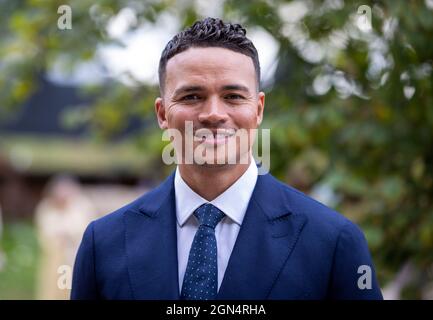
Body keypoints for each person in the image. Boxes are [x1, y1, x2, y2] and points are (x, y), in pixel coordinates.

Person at [71, 17, 383, 300]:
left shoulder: (332, 243)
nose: (213, 114)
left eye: (233, 96)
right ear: (163, 113)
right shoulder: (104, 243)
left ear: (258, 109)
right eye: (192, 96)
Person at [35, 175, 95, 299]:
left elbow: (85, 227)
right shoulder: (46, 207)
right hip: (55, 256)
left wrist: (68, 234)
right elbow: (45, 230)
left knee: (70, 287)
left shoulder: (82, 205)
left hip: (75, 254)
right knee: (52, 288)